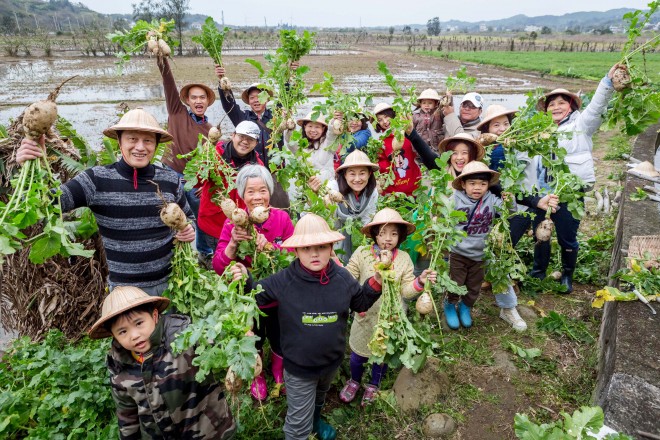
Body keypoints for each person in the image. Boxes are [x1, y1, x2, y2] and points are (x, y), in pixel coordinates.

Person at [230, 214, 384, 440]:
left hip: (331, 362)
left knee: (319, 398)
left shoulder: (342, 278)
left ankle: (316, 420)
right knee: (297, 425)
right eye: (307, 248)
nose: (314, 253)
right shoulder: (284, 281)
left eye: (321, 247)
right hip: (299, 369)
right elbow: (255, 295)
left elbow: (360, 302)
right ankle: (302, 429)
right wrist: (244, 278)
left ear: (331, 247)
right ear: (296, 250)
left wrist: (377, 280)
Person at [16, 108, 195, 295]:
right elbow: (47, 205)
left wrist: (189, 229)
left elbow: (189, 217)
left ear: (156, 144)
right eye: (132, 139)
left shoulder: (170, 180)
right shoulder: (96, 180)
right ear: (119, 141)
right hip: (124, 293)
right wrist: (30, 168)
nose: (140, 147)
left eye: (148, 140)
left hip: (172, 285)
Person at [88, 286, 236, 438]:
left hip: (209, 430)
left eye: (139, 323)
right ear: (114, 336)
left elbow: (220, 344)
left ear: (155, 316)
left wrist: (238, 339)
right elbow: (127, 415)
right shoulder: (119, 367)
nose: (134, 335)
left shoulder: (183, 338)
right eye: (123, 331)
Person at [530, 63, 624, 293]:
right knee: (540, 234)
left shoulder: (582, 125)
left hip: (569, 193)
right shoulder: (537, 133)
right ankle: (538, 272)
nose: (555, 107)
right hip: (542, 192)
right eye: (551, 104)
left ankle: (567, 275)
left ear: (571, 106)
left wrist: (606, 83)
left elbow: (596, 108)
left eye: (561, 103)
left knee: (567, 236)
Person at [213, 164, 294, 401]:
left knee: (280, 337)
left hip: (280, 296)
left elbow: (295, 254)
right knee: (253, 336)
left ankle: (278, 372)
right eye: (250, 191)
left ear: (270, 192)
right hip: (248, 300)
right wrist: (233, 245)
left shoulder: (282, 218)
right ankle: (257, 374)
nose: (257, 196)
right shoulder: (232, 224)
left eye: (262, 190)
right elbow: (218, 267)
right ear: (241, 195)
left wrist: (271, 247)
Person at [340, 208, 437, 406]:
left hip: (390, 319)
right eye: (382, 233)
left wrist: (420, 281)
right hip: (365, 315)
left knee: (381, 357)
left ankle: (373, 385)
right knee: (358, 355)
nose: (387, 238)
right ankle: (354, 380)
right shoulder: (362, 254)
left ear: (400, 237)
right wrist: (339, 271)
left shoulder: (403, 259)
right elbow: (349, 278)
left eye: (393, 234)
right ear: (375, 234)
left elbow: (406, 291)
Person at [475, 105, 529, 331]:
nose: (502, 128)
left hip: (514, 203)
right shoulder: (482, 151)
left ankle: (507, 302)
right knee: (494, 248)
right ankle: (497, 284)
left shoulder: (520, 146)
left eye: (506, 123)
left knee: (503, 248)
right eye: (496, 124)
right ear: (487, 129)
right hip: (491, 203)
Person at [157, 56, 216, 261]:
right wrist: (161, 57)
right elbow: (168, 83)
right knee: (167, 215)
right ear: (187, 101)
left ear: (208, 102)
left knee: (202, 216)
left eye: (202, 98)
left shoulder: (211, 131)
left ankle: (205, 253)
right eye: (194, 98)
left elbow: (212, 162)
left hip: (194, 181)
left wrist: (206, 182)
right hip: (170, 174)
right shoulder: (176, 112)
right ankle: (168, 254)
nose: (198, 101)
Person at [445, 161, 513, 330]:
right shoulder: (454, 199)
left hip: (481, 254)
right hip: (458, 253)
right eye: (472, 183)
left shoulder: (491, 200)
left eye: (483, 184)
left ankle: (465, 307)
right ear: (463, 184)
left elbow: (508, 212)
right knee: (455, 283)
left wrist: (509, 202)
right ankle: (449, 305)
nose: (477, 188)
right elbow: (442, 217)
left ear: (488, 185)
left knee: (474, 286)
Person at [197, 121, 264, 249]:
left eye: (250, 139)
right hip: (213, 223)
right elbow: (198, 181)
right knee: (217, 260)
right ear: (233, 135)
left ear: (256, 143)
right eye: (242, 136)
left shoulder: (258, 167)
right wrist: (203, 159)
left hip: (240, 226)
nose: (245, 141)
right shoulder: (214, 153)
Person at [334, 150, 379, 264]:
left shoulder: (372, 193)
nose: (357, 179)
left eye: (362, 173)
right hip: (333, 235)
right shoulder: (333, 189)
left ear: (369, 174)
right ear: (345, 175)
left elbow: (367, 220)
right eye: (352, 174)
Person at [285, 112, 339, 201]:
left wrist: (335, 120)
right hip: (308, 189)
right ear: (304, 127)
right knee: (308, 213)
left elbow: (332, 134)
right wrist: (289, 125)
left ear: (323, 128)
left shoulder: (328, 144)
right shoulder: (300, 146)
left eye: (317, 127)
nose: (313, 130)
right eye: (310, 126)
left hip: (328, 189)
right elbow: (290, 140)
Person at [372, 102, 422, 196]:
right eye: (380, 120)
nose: (385, 122)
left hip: (413, 186)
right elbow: (380, 163)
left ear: (393, 115)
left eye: (386, 117)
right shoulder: (381, 142)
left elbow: (419, 153)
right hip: (393, 191)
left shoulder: (407, 134)